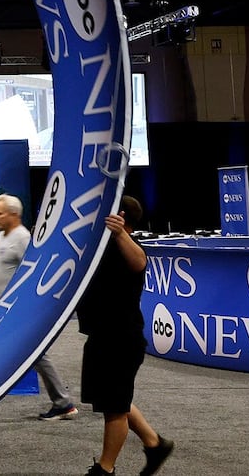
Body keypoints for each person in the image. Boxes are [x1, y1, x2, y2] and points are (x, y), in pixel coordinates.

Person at [76, 195, 175, 476]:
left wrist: (119, 232)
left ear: (120, 217)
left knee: (115, 407)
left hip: (120, 338)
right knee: (115, 398)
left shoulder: (126, 245)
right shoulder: (103, 245)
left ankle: (105, 469)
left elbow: (140, 262)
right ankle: (155, 445)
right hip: (101, 335)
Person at [0, 194, 78, 421]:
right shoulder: (3, 235)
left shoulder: (22, 239)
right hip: (3, 310)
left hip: (15, 313)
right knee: (35, 356)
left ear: (14, 214)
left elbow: (34, 275)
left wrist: (26, 308)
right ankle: (63, 403)